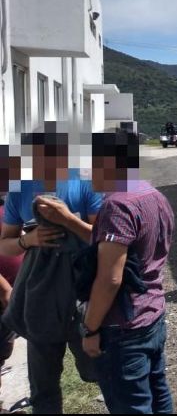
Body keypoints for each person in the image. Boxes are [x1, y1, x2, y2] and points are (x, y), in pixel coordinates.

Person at [0, 127, 102, 414]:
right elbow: (4, 244)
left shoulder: (85, 183)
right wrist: (27, 240)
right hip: (40, 298)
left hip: (82, 294)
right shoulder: (20, 189)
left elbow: (105, 238)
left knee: (101, 370)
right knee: (43, 384)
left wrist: (68, 221)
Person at [80, 130, 174, 414]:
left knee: (132, 406)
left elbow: (110, 278)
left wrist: (90, 327)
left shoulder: (117, 205)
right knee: (159, 396)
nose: (87, 172)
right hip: (153, 315)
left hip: (122, 326)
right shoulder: (152, 194)